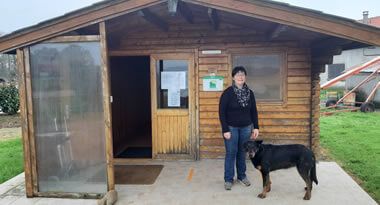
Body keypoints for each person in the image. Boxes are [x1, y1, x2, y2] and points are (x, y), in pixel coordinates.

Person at [219, 66, 259, 190]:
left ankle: (242, 176)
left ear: (245, 77)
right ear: (233, 77)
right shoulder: (228, 93)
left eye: (242, 74)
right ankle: (228, 179)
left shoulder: (250, 93)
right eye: (237, 75)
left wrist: (256, 127)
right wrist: (225, 129)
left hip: (246, 128)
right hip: (231, 128)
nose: (240, 77)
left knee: (242, 153)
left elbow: (253, 111)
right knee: (231, 153)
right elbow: (222, 112)